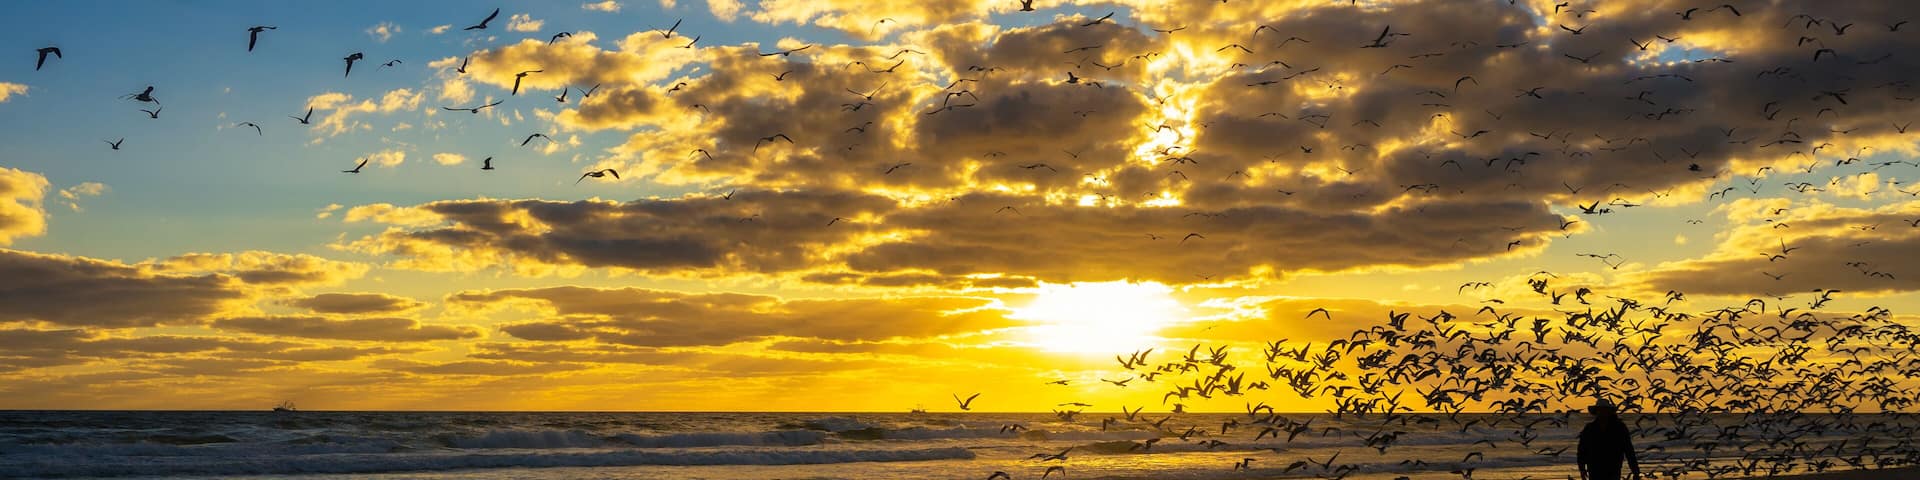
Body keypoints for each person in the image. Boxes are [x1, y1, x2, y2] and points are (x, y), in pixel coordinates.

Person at [1577, 398, 1641, 480]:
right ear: (1596, 412)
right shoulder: (1590, 428)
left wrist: (1635, 471)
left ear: (1609, 412)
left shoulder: (1619, 427)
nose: (1602, 413)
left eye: (1604, 410)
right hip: (1594, 468)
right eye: (1600, 410)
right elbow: (1582, 449)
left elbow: (1628, 449)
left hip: (1613, 468)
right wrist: (1582, 468)